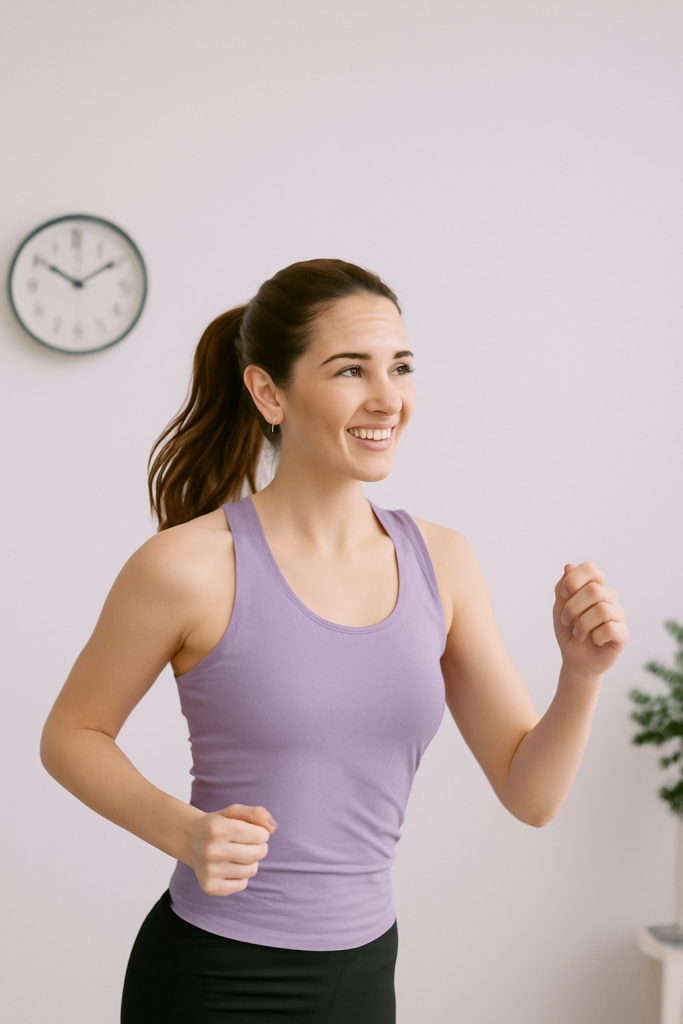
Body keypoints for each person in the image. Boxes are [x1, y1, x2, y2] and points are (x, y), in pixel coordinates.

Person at [40, 258, 628, 1024]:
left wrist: (580, 676)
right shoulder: (188, 567)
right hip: (213, 977)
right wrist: (184, 832)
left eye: (401, 366)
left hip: (361, 974)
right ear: (268, 391)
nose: (388, 398)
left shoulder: (440, 562)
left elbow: (531, 794)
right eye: (351, 369)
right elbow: (71, 735)